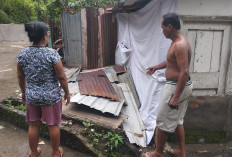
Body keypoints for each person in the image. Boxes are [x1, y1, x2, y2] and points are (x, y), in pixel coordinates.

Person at [17, 21, 70, 157]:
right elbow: (62, 77)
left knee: (34, 125)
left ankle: (34, 153)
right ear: (45, 36)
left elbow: (20, 76)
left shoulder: (23, 54)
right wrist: (67, 93)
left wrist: (24, 92)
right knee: (53, 125)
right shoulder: (52, 54)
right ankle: (55, 153)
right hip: (51, 97)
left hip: (32, 96)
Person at [143, 13, 193, 157]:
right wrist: (156, 67)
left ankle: (158, 153)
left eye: (163, 27)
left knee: (162, 119)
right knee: (178, 120)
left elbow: (184, 71)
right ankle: (181, 152)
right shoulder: (176, 42)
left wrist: (176, 96)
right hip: (179, 85)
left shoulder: (180, 44)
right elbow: (171, 61)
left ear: (169, 27)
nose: (162, 30)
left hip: (176, 86)